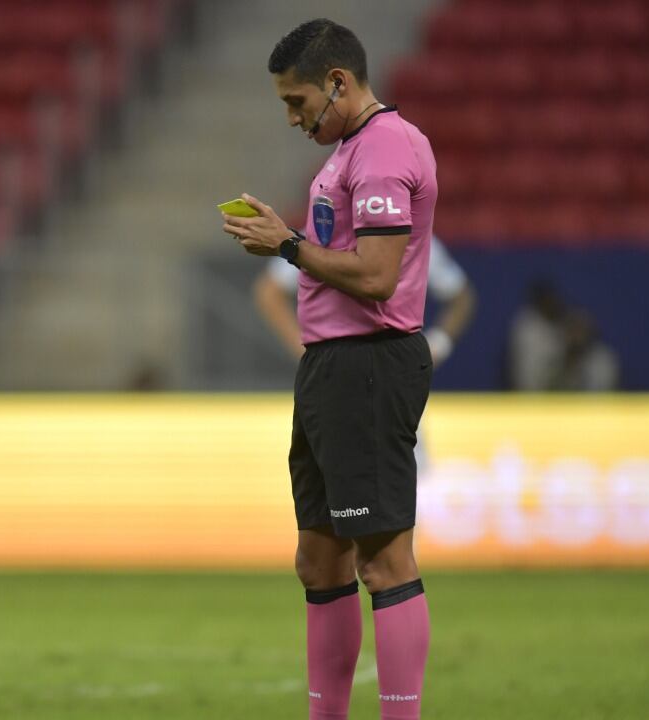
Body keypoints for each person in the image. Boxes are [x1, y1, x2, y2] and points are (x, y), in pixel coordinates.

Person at [222, 19, 437, 720]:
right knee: (319, 560)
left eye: (297, 101)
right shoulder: (350, 153)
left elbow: (376, 277)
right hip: (331, 367)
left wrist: (287, 244)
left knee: (383, 561)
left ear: (338, 83)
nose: (292, 118)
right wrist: (287, 241)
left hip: (368, 367)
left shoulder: (383, 151)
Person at [255, 235, 476, 469]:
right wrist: (309, 351)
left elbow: (461, 297)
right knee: (339, 481)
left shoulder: (413, 236)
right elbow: (269, 292)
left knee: (404, 483)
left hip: (394, 384)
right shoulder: (322, 233)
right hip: (337, 385)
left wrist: (436, 345)